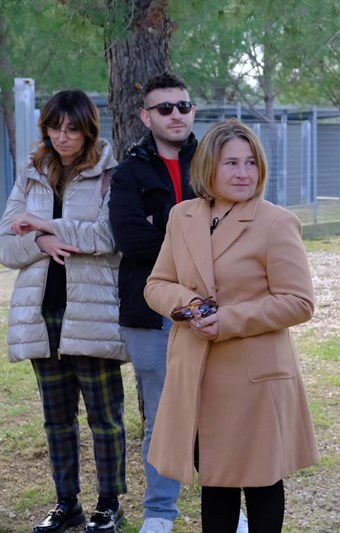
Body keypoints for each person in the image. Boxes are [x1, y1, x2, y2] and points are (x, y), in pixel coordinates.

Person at [142, 119, 319, 533]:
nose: (244, 173)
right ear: (208, 168)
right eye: (231, 164)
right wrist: (189, 307)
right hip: (198, 375)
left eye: (251, 163)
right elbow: (156, 285)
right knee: (214, 484)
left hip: (253, 379)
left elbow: (299, 302)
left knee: (261, 482)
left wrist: (229, 320)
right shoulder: (182, 216)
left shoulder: (276, 222)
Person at [0, 90, 127, 532]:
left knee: (103, 416)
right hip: (41, 314)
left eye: (71, 128)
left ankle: (109, 503)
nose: (62, 136)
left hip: (90, 312)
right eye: (55, 128)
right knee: (56, 418)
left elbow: (106, 237)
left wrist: (43, 224)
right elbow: (5, 243)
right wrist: (41, 242)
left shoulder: (110, 175)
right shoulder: (32, 173)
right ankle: (66, 503)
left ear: (88, 128)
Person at [108, 71, 197, 533]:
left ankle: (229, 506)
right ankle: (160, 514)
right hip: (151, 312)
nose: (176, 115)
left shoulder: (215, 161)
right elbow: (130, 239)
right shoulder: (128, 173)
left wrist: (159, 226)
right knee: (162, 416)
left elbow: (235, 230)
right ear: (146, 116)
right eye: (165, 108)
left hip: (211, 307)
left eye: (183, 106)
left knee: (220, 413)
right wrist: (195, 239)